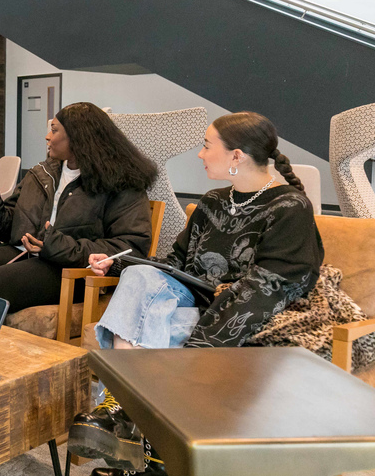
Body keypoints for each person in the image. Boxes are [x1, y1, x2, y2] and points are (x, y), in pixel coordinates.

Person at [68, 111, 323, 476]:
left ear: (237, 155)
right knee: (139, 274)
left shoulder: (289, 208)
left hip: (238, 313)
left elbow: (273, 285)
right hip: (192, 297)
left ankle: (130, 419)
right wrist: (118, 265)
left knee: (155, 329)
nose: (200, 155)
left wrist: (202, 344)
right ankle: (138, 428)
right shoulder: (212, 202)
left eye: (206, 146)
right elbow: (177, 264)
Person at [0, 102, 156, 314]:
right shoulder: (42, 173)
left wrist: (57, 246)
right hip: (26, 254)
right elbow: (8, 229)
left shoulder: (121, 183)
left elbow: (130, 247)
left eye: (54, 130)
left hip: (71, 269)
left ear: (79, 138)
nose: (47, 136)